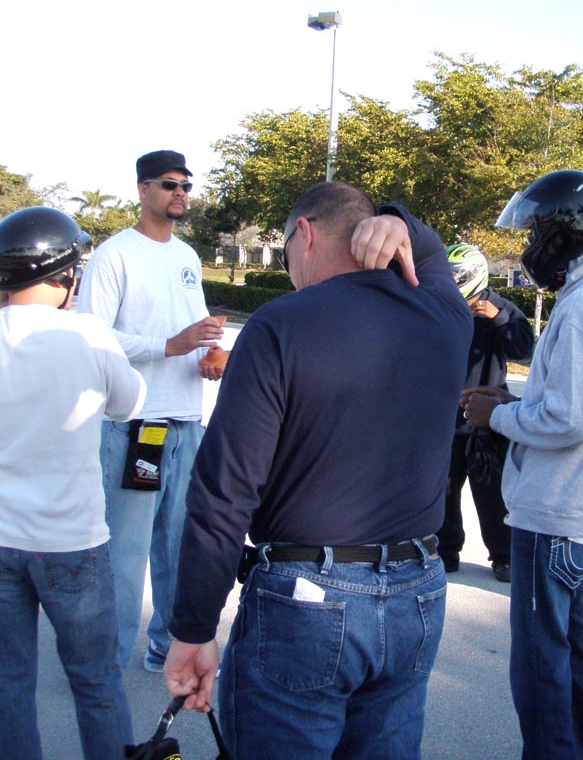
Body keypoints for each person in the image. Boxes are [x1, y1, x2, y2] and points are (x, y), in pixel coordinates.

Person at [162, 182, 472, 759]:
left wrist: (194, 628)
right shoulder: (445, 315)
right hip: (418, 590)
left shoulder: (281, 324)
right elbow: (430, 254)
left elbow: (224, 493)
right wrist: (399, 220)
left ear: (303, 233)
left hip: (308, 601)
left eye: (283, 254)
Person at [0, 207, 146, 760]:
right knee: (95, 682)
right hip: (71, 543)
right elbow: (130, 402)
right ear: (66, 276)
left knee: (7, 682)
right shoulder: (89, 335)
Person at [461, 170, 583, 760]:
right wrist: (513, 402)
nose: (532, 244)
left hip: (555, 513)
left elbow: (569, 420)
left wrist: (498, 417)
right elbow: (572, 404)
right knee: (576, 657)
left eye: (537, 232)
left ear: (566, 233)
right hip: (577, 513)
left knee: (541, 667)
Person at [76, 150, 225, 672]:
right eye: (168, 184)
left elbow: (197, 326)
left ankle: (166, 642)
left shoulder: (186, 256)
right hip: (136, 425)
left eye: (186, 185)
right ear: (143, 190)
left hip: (186, 422)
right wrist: (168, 345)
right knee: (126, 552)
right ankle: (107, 661)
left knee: (180, 547)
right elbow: (92, 337)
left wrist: (211, 353)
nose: (179, 193)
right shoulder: (114, 255)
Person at [437, 243, 534, 581]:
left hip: (487, 418)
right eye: (448, 275)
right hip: (446, 417)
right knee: (444, 491)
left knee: (491, 494)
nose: (451, 281)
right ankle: (445, 552)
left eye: (457, 276)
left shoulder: (500, 307)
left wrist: (498, 319)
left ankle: (504, 556)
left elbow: (523, 350)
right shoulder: (440, 307)